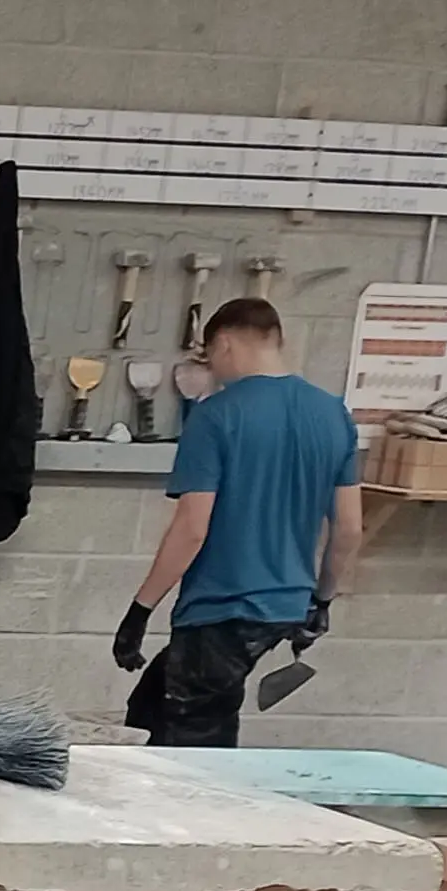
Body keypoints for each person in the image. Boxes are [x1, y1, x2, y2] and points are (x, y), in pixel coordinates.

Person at [115, 297, 361, 746]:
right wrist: (321, 601)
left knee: (192, 748)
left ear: (224, 344)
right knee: (150, 709)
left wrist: (140, 610)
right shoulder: (334, 415)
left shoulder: (216, 416)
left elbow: (191, 529)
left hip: (222, 608)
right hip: (282, 606)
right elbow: (348, 528)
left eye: (210, 358)